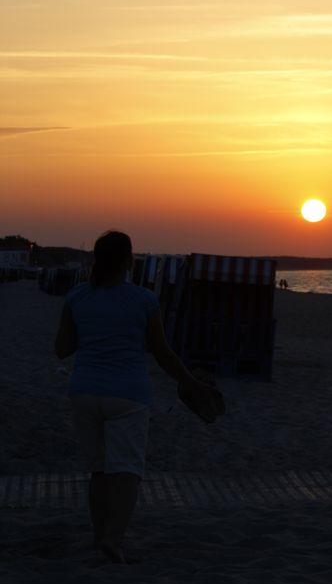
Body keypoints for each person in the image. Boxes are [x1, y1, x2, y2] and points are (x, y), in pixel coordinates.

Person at [55, 230, 220, 564]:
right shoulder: (144, 300)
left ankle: (100, 535)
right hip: (128, 395)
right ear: (128, 260)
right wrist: (191, 383)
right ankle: (114, 541)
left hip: (84, 391)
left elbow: (62, 349)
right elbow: (163, 353)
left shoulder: (77, 297)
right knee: (127, 470)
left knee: (99, 471)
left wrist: (92, 332)